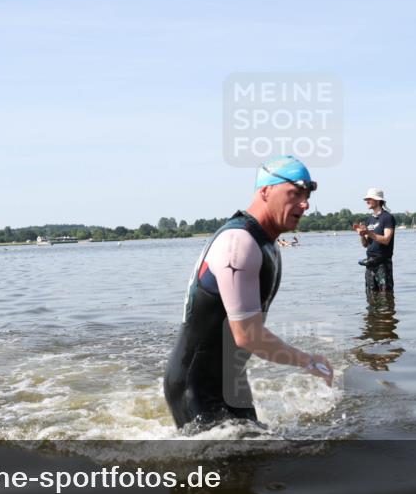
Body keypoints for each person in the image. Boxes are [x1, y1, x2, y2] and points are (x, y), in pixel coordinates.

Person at [163, 155, 334, 429]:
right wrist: (307, 361)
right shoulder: (238, 243)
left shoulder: (266, 242)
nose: (305, 204)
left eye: (307, 195)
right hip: (195, 386)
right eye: (295, 193)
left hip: (232, 380)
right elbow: (247, 335)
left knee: (260, 455)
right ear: (265, 191)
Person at [352, 188, 396, 296]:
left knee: (385, 297)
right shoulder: (369, 220)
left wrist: (368, 232)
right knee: (370, 296)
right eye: (366, 199)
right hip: (370, 263)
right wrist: (362, 234)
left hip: (383, 263)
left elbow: (386, 240)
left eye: (369, 199)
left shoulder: (387, 217)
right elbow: (365, 244)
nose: (367, 201)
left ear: (378, 200)